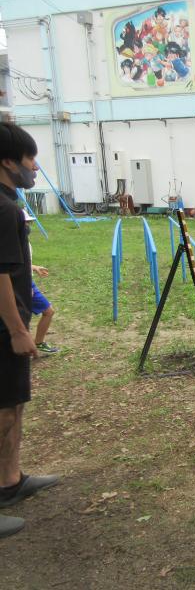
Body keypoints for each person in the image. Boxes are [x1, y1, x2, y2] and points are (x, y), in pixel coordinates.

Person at [0, 123, 59, 538]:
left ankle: (10, 481)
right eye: (30, 159)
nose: (35, 167)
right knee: (3, 409)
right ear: (7, 161)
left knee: (13, 404)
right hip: (5, 327)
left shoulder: (10, 203)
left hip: (12, 322)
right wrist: (18, 329)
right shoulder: (3, 209)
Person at [24, 212, 58, 354]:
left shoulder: (24, 241)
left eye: (28, 223)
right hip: (21, 284)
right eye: (24, 223)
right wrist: (25, 285)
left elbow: (21, 263)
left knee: (48, 311)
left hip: (26, 282)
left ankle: (37, 343)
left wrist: (34, 267)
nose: (27, 226)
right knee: (20, 319)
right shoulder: (10, 243)